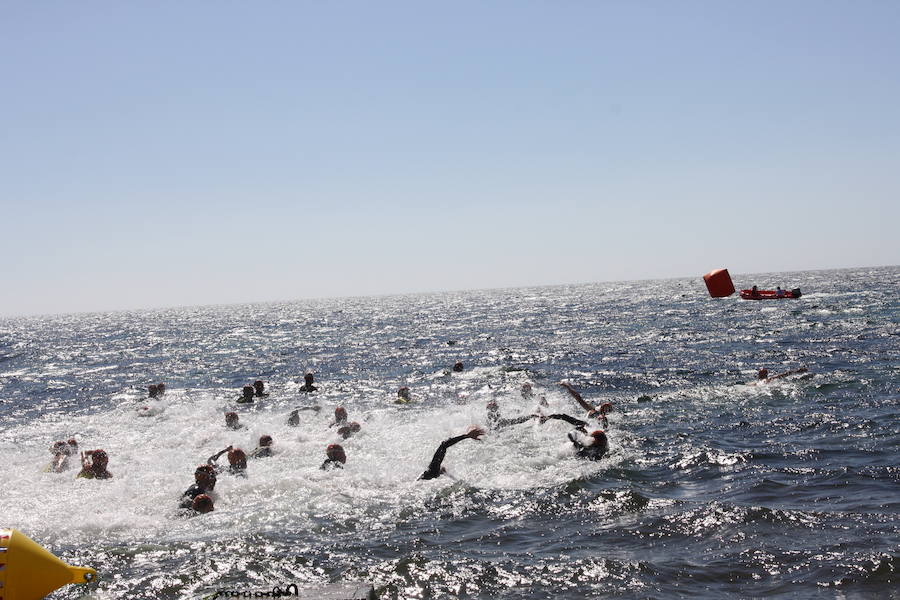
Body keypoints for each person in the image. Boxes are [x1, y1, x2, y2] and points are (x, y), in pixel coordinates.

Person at [419, 426, 485, 480]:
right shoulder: (432, 472)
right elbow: (444, 445)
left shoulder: (428, 476)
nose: (443, 469)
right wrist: (466, 436)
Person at [539, 414, 608, 461]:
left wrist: (574, 441)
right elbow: (566, 417)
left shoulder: (596, 448)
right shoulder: (586, 426)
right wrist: (548, 417)